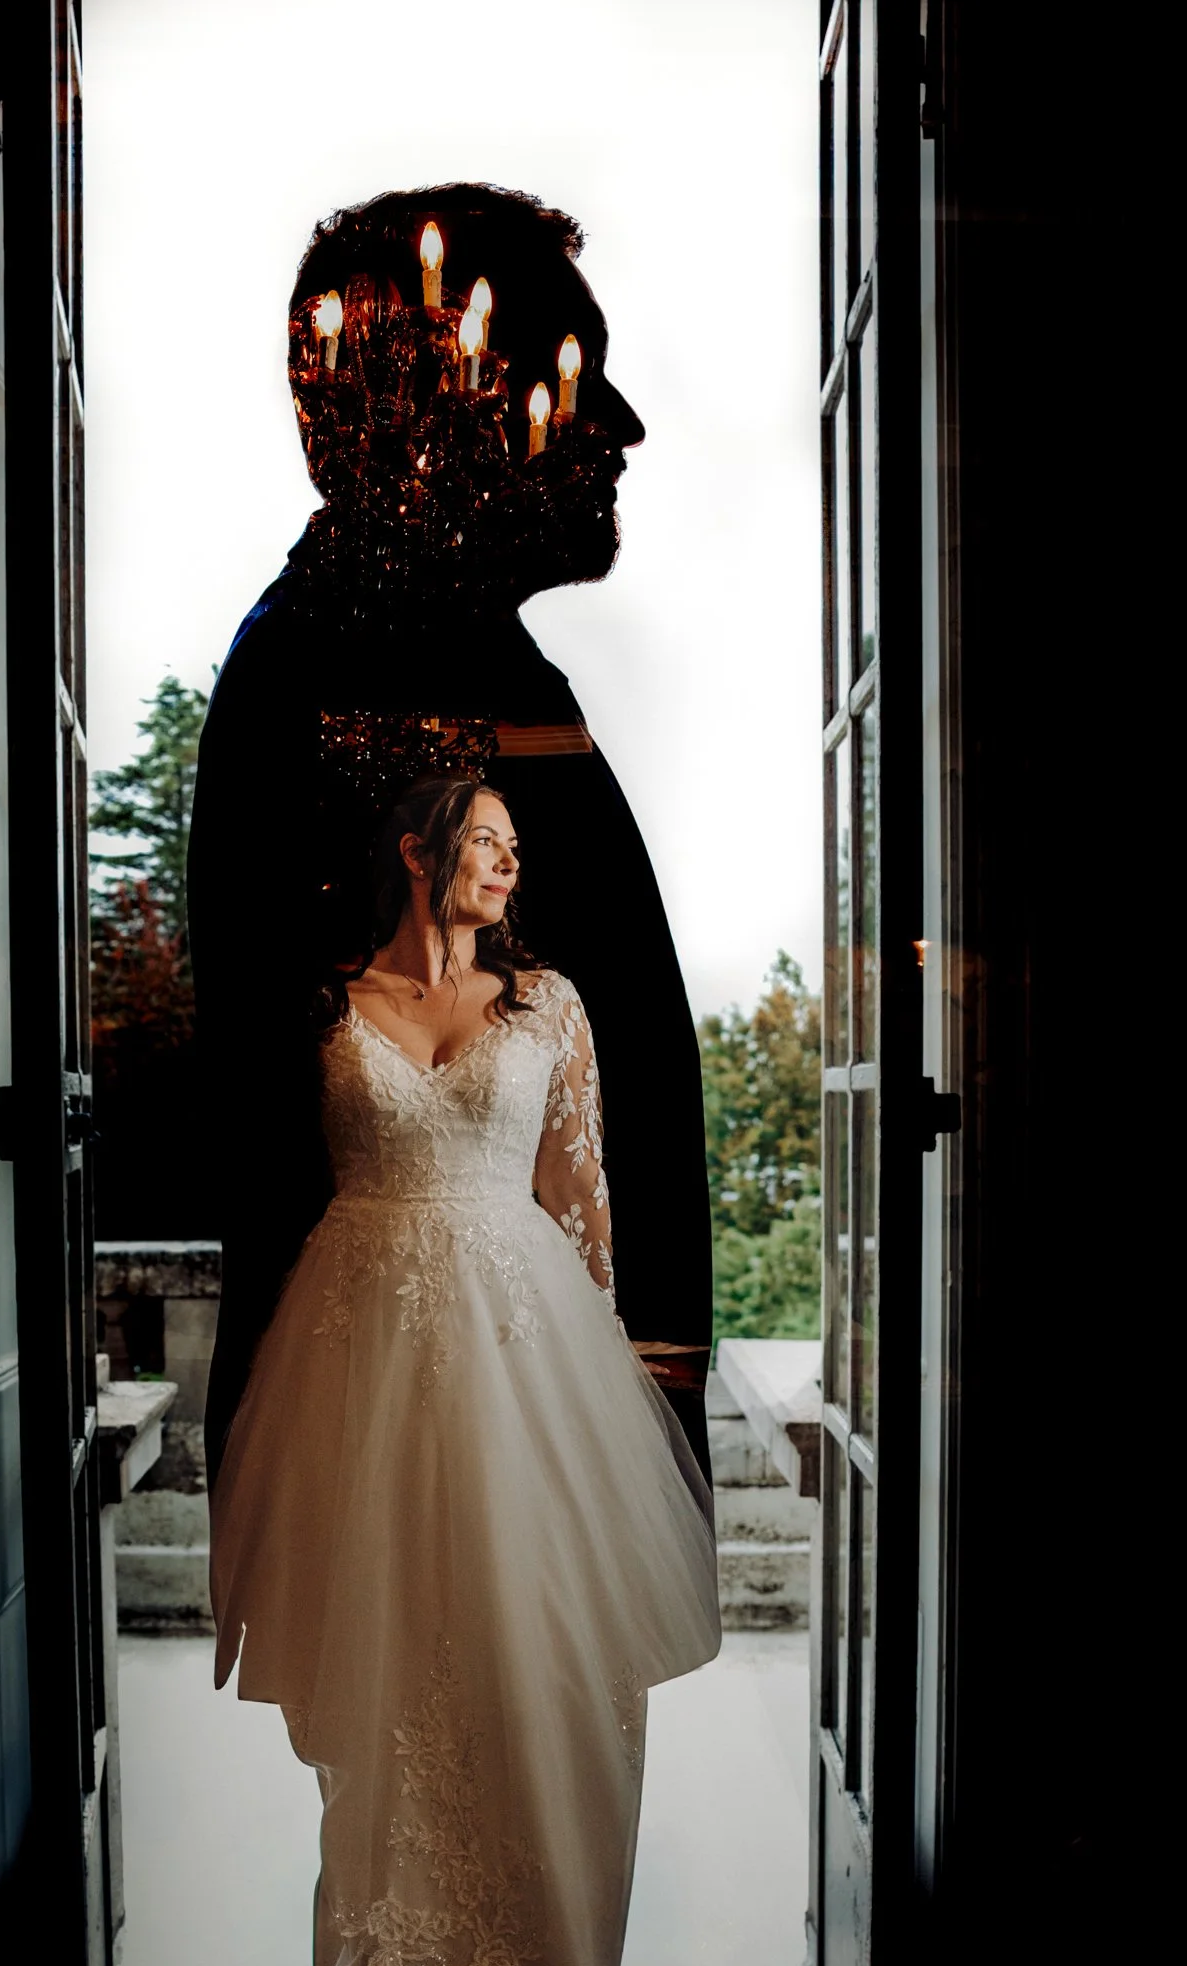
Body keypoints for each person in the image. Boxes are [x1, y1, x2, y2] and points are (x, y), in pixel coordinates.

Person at [187, 184, 714, 1499]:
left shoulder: (462, 667)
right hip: (449, 1418)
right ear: (442, 407)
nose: (618, 427)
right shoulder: (350, 681)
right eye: (571, 376)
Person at [211, 775, 721, 1966]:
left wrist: (595, 1398)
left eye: (513, 847)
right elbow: (270, 1198)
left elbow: (582, 1200)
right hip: (355, 1357)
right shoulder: (330, 1005)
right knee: (386, 1634)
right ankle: (392, 1949)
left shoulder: (547, 1003)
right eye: (483, 842)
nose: (505, 864)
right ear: (415, 850)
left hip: (520, 1346)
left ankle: (544, 1936)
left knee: (532, 1638)